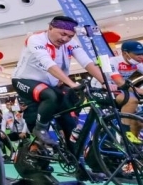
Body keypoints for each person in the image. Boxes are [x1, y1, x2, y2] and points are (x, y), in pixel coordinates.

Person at [11, 15, 107, 146]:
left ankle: (73, 154)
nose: (65, 39)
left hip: (51, 84)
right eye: (63, 34)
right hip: (24, 80)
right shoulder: (35, 39)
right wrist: (71, 83)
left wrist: (105, 82)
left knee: (69, 123)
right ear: (50, 28)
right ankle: (40, 128)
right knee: (51, 96)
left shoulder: (70, 43)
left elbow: (86, 61)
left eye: (70, 36)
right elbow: (48, 64)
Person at [106, 40, 143, 142]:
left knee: (138, 123)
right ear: (125, 53)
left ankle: (131, 146)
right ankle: (124, 132)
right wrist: (140, 91)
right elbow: (120, 83)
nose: (141, 57)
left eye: (142, 53)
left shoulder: (138, 63)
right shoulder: (113, 61)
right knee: (132, 100)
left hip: (118, 90)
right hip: (102, 89)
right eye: (137, 54)